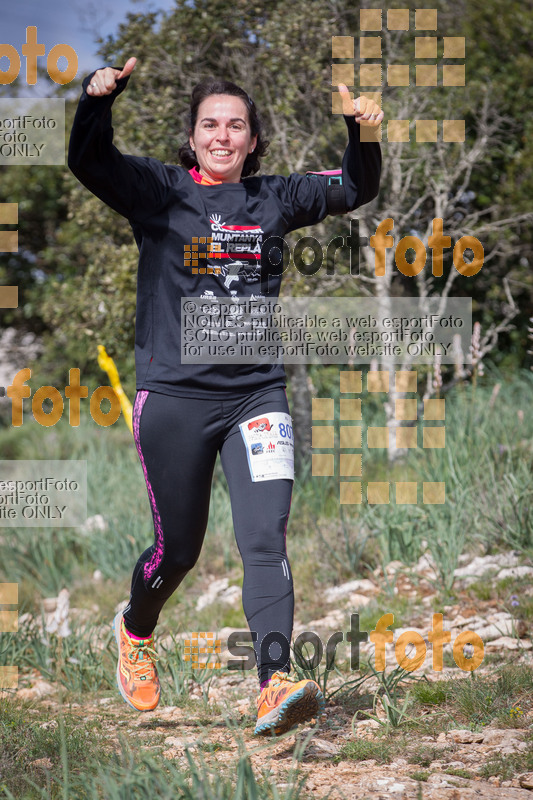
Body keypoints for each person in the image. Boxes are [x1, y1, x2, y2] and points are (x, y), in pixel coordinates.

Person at [68, 57, 383, 736]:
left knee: (264, 540)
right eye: (209, 124)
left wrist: (362, 131)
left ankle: (274, 683)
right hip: (174, 398)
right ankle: (136, 629)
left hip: (255, 396)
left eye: (235, 125)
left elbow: (357, 185)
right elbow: (90, 162)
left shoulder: (275, 199)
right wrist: (96, 100)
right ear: (192, 136)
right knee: (176, 550)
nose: (221, 135)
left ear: (251, 139)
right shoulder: (160, 191)